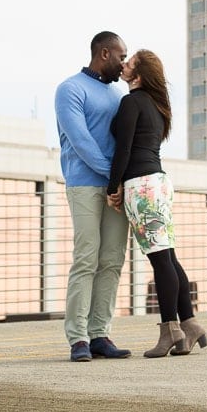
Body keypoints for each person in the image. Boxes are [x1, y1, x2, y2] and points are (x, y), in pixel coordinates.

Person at [106, 49, 207, 357]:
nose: (123, 65)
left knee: (161, 261)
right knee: (169, 258)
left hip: (141, 186)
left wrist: (113, 187)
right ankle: (188, 324)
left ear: (136, 76)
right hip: (159, 184)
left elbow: (122, 150)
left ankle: (169, 331)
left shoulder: (131, 102)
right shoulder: (155, 106)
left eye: (129, 62)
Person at [55, 30, 132, 362]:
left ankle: (100, 333)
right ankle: (78, 338)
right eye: (121, 56)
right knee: (86, 258)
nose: (124, 63)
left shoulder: (118, 95)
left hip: (116, 187)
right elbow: (81, 141)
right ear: (104, 54)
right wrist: (112, 176)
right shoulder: (70, 89)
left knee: (112, 261)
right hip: (85, 183)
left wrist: (119, 183)